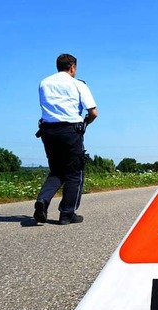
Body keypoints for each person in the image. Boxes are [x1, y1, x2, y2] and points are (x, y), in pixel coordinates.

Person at [33, 53, 98, 225]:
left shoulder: (44, 83)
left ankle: (43, 201)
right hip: (70, 131)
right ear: (72, 67)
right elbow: (93, 112)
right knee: (74, 173)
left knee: (56, 171)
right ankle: (67, 214)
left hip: (48, 131)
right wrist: (85, 123)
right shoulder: (77, 84)